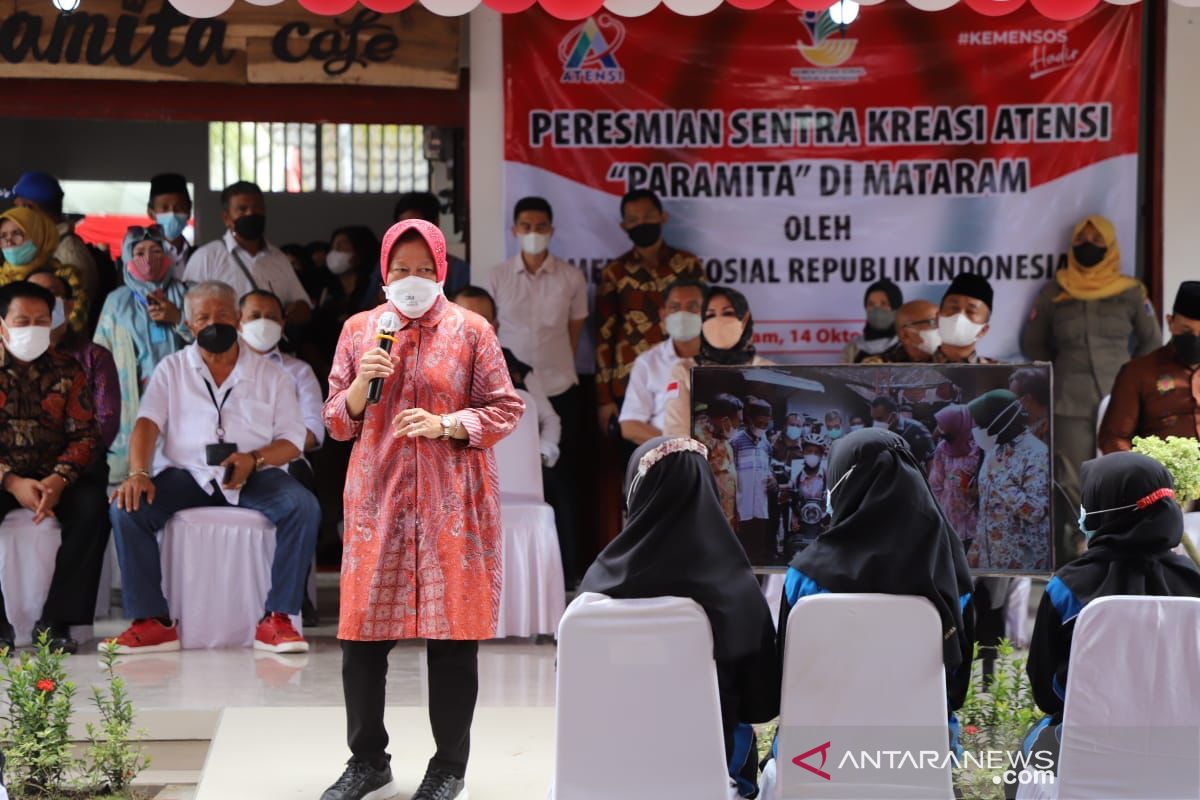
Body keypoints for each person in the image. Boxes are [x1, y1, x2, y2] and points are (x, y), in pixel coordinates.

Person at [320, 220, 523, 800]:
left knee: (453, 639)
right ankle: (367, 761)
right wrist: (362, 383)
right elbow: (336, 421)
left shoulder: (471, 330)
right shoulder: (361, 330)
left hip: (452, 502)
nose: (412, 280)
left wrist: (447, 424)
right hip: (377, 500)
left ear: (442, 272)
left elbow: (506, 408)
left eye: (424, 269)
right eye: (401, 270)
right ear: (384, 273)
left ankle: (448, 768)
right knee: (361, 637)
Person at [107, 281, 317, 655]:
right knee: (128, 508)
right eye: (203, 317)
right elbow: (147, 424)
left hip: (255, 474)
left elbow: (292, 439)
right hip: (187, 474)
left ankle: (278, 618)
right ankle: (151, 621)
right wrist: (138, 473)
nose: (213, 323)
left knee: (303, 507)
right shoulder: (171, 369)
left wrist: (255, 459)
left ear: (237, 319)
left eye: (222, 315)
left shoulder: (273, 376)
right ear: (189, 326)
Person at [578, 437, 780, 798]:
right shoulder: (738, 590)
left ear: (637, 492)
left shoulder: (598, 588)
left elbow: (577, 693)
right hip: (715, 782)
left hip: (607, 774)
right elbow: (762, 703)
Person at [777, 428, 974, 732]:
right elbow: (955, 691)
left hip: (818, 752)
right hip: (921, 755)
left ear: (847, 484)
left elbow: (784, 681)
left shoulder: (804, 577)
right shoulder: (951, 576)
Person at [1023, 452, 1200, 775]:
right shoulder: (1194, 583)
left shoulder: (1067, 589)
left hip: (1086, 754)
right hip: (1185, 758)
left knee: (1024, 761)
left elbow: (1047, 693)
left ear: (1104, 510)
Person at [1022, 215, 1160, 562]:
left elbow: (1152, 343)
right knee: (1070, 479)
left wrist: (1133, 379)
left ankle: (1117, 550)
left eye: (1098, 241)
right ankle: (1075, 557)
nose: (1090, 247)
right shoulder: (1056, 290)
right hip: (1069, 398)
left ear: (1110, 246)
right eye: (1083, 240)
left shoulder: (1130, 291)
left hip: (1120, 397)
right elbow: (1032, 344)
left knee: (1121, 472)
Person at [0, 282, 107, 654]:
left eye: (40, 321)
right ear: (2, 325)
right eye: (22, 320)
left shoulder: (68, 368)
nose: (32, 328)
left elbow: (85, 435)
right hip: (5, 476)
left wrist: (58, 479)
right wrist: (11, 481)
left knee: (93, 508)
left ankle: (58, 621)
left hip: (55, 477)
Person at [452, 285, 575, 587]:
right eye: (465, 317)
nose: (473, 326)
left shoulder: (518, 369)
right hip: (459, 468)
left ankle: (560, 581)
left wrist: (542, 453)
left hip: (520, 474)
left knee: (558, 489)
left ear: (495, 327)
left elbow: (549, 419)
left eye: (482, 319)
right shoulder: (433, 364)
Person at [486, 197, 587, 550]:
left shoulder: (571, 277)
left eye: (540, 226)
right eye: (526, 227)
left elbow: (575, 329)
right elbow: (491, 328)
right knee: (514, 477)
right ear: (514, 230)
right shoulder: (496, 276)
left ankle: (569, 564)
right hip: (510, 389)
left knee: (563, 478)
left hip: (560, 385)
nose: (533, 233)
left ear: (552, 230)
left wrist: (553, 369)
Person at [595, 190, 703, 430]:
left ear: (663, 217)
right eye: (633, 219)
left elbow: (706, 320)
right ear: (624, 226)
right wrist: (604, 398)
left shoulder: (688, 264)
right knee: (637, 460)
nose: (641, 223)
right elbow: (604, 336)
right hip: (629, 379)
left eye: (648, 215)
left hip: (686, 373)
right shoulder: (616, 272)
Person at [93, 226, 191, 484]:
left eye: (157, 251)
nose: (149, 259)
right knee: (128, 482)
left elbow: (210, 342)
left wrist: (179, 318)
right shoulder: (116, 302)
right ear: (126, 257)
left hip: (181, 403)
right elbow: (99, 358)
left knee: (177, 478)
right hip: (130, 405)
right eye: (139, 252)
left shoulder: (187, 294)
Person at [183, 182, 312, 326]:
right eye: (242, 209)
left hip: (272, 347)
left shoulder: (278, 258)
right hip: (227, 347)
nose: (251, 213)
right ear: (227, 218)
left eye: (258, 208)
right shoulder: (206, 257)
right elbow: (189, 315)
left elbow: (303, 306)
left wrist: (293, 311)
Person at [27, 270, 120, 464]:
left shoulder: (95, 357)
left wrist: (63, 469)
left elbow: (106, 421)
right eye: (32, 294)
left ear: (69, 306)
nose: (42, 301)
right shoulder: (10, 358)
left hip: (80, 467)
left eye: (50, 293)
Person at [1099, 281, 1200, 452]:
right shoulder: (1138, 373)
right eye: (1186, 331)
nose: (1195, 340)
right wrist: (1143, 473)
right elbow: (1114, 439)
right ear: (1170, 323)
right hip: (1160, 476)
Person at [237, 290, 325, 483]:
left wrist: (265, 454)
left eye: (271, 317)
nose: (263, 322)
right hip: (230, 463)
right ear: (238, 322)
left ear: (282, 324)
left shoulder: (299, 371)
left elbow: (314, 430)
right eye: (254, 316)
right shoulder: (221, 370)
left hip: (285, 467)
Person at [663, 287, 769, 438]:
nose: (718, 321)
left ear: (744, 320)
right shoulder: (684, 370)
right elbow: (675, 431)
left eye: (728, 313)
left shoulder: (764, 369)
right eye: (710, 315)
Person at [968, 390, 1051, 572]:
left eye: (981, 424)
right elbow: (987, 511)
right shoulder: (994, 450)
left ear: (1001, 422)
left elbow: (1035, 512)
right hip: (989, 561)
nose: (978, 430)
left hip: (1022, 566)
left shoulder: (1037, 454)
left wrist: (1000, 477)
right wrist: (973, 556)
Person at [619, 278, 705, 445]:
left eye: (692, 307)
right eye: (675, 307)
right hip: (666, 457)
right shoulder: (647, 362)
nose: (682, 315)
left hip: (718, 460)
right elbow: (629, 426)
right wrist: (680, 446)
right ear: (663, 315)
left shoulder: (725, 359)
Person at [8, 172, 99, 313]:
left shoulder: (69, 255)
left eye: (16, 209)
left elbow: (72, 318)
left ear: (28, 208)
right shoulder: (41, 246)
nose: (14, 217)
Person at [0, 207, 88, 332]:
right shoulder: (2, 278)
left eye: (17, 234)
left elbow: (76, 320)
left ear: (38, 235)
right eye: (3, 236)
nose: (9, 242)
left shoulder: (64, 276)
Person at [310, 226, 383, 369]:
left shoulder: (374, 289)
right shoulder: (326, 291)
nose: (334, 253)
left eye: (341, 247)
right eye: (333, 247)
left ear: (359, 251)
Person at [928, 404, 982, 555]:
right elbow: (936, 483)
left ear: (958, 425)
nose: (941, 430)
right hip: (949, 522)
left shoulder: (979, 448)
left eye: (945, 426)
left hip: (973, 524)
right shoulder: (942, 449)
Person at [393, 192, 470, 296]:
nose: (410, 235)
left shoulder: (459, 270)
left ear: (435, 224)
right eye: (401, 270)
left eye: (425, 270)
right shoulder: (386, 266)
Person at [730, 397, 776, 564]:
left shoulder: (766, 445)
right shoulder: (735, 443)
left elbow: (768, 470)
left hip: (760, 511)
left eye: (766, 424)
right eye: (759, 423)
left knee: (757, 555)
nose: (762, 428)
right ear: (749, 420)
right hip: (741, 511)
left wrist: (773, 480)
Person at [696, 393, 743, 529]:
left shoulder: (722, 437)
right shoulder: (697, 441)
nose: (739, 425)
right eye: (738, 421)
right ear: (725, 421)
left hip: (726, 516)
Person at [935, 273, 996, 364]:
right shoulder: (911, 370)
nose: (959, 316)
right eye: (953, 308)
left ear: (983, 330)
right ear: (937, 319)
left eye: (970, 311)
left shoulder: (999, 374)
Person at [842, 279, 903, 363]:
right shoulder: (853, 347)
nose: (876, 309)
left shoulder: (906, 344)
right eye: (871, 304)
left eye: (884, 303)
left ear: (896, 307)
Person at [146, 174, 194, 279]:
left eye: (179, 207)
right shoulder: (141, 256)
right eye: (164, 208)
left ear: (189, 210)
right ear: (151, 212)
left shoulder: (200, 256)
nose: (172, 213)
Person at [871, 395, 935, 467]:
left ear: (893, 416)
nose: (876, 423)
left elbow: (931, 458)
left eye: (879, 419)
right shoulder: (876, 432)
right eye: (873, 419)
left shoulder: (916, 429)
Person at [880, 299, 940, 364]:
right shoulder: (881, 368)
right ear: (905, 336)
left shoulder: (950, 362)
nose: (942, 328)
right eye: (934, 323)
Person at [1009, 367, 1051, 446]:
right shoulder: (1030, 424)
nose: (1010, 404)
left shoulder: (1046, 431)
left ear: (1027, 399)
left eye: (1013, 399)